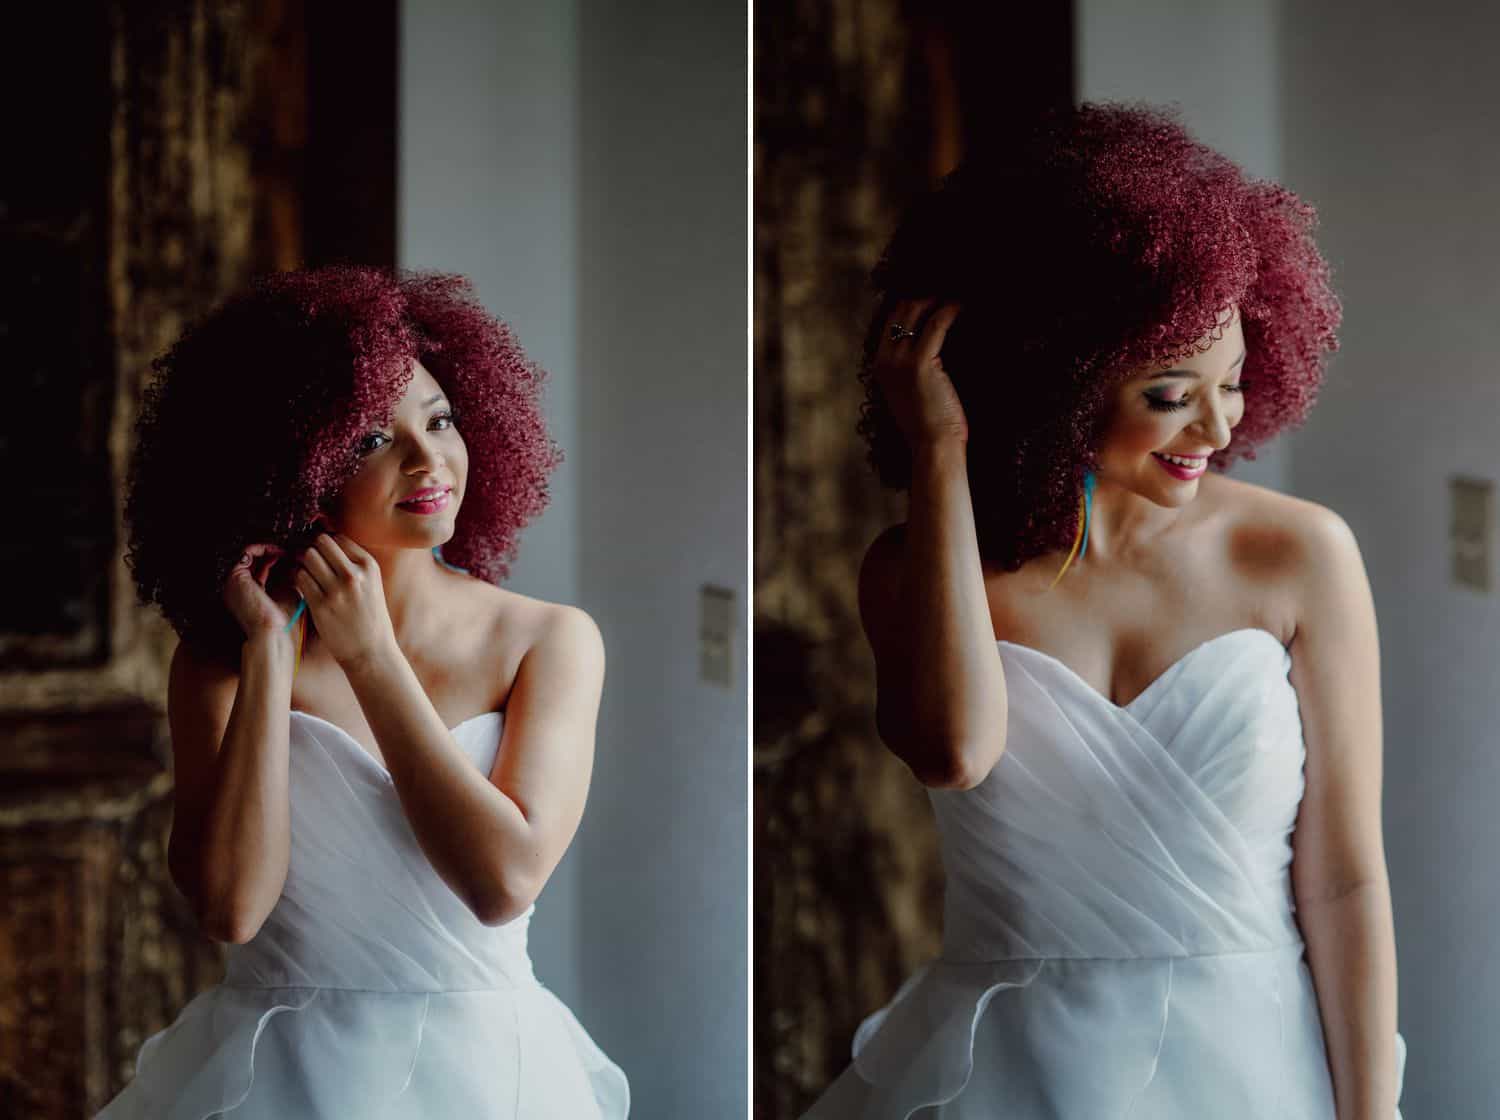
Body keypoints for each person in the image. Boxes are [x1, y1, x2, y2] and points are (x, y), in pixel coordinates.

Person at [803, 104, 1405, 1118]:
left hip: (1257, 1066)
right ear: (1057, 388)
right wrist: (940, 449)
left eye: (1235, 380)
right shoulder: (917, 570)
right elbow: (952, 750)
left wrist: (1369, 1110)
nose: (1221, 424)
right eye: (1172, 395)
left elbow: (1345, 877)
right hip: (1004, 1074)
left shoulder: (1299, 553)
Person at [100, 266, 628, 1118]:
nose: (429, 461)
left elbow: (502, 884)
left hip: (490, 1078)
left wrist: (373, 656)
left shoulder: (549, 640)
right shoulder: (220, 660)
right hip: (276, 1080)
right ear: (290, 470)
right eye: (369, 442)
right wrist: (271, 657)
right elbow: (231, 909)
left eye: (441, 419)